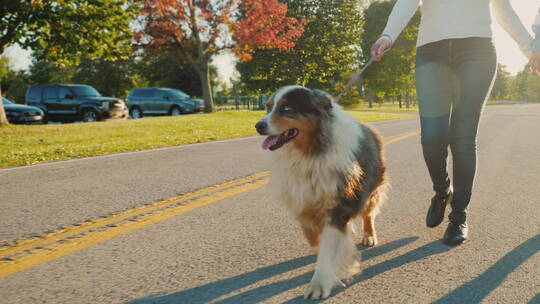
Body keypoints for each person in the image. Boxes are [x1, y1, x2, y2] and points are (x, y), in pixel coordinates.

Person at [370, 0, 538, 246]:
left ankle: (458, 215)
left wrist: (529, 49)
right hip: (431, 50)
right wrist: (387, 35)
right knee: (432, 138)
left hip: (477, 51)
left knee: (462, 137)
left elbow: (504, 9)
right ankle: (441, 191)